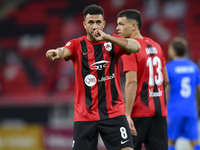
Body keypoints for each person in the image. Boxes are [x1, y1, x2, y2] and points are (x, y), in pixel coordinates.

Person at [46, 4, 141, 150]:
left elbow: (136, 46)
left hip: (113, 113)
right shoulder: (77, 44)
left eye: (98, 22)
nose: (95, 26)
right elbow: (64, 51)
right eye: (91, 22)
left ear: (103, 24)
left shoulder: (113, 41)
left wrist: (107, 37)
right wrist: (56, 53)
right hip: (85, 115)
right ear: (84, 24)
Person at [117, 9, 169, 150]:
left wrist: (127, 114)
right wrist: (164, 106)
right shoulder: (157, 46)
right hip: (159, 112)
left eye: (121, 24)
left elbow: (132, 82)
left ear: (133, 26)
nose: (117, 28)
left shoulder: (130, 48)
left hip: (139, 111)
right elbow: (166, 80)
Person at [166, 37, 200, 150]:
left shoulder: (168, 67)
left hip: (175, 110)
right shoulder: (193, 67)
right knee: (195, 141)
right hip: (191, 109)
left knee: (171, 140)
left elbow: (166, 89)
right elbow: (198, 89)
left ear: (173, 51)